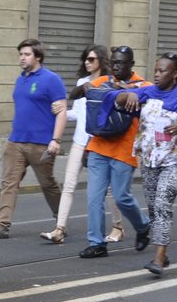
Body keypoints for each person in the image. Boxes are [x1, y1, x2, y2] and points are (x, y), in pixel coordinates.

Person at [115, 54, 177, 275]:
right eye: (156, 70)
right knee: (153, 208)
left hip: (175, 160)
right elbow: (118, 100)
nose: (157, 74)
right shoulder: (148, 91)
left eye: (162, 71)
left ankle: (159, 258)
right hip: (149, 160)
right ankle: (163, 251)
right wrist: (129, 93)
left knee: (162, 204)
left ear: (175, 74)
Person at [0, 38, 66, 239]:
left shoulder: (51, 80)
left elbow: (61, 111)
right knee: (9, 182)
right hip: (16, 141)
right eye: (20, 54)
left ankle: (61, 221)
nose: (22, 58)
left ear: (38, 57)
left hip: (41, 144)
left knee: (48, 184)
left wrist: (56, 140)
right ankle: (1, 226)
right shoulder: (20, 79)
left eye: (26, 54)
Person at [41, 44, 120, 245]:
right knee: (68, 185)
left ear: (101, 61)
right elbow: (77, 113)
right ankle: (59, 229)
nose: (86, 62)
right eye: (85, 58)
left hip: (100, 142)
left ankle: (117, 226)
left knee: (108, 190)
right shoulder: (82, 82)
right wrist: (61, 112)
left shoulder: (110, 84)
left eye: (91, 59)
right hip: (79, 141)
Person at [79, 45, 151, 259]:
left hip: (124, 149)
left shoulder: (143, 85)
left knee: (121, 197)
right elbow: (80, 97)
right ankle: (97, 243)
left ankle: (143, 226)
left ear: (132, 64)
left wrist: (131, 93)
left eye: (121, 63)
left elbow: (151, 105)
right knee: (94, 197)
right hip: (99, 147)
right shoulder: (105, 81)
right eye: (114, 62)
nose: (116, 66)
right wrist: (88, 88)